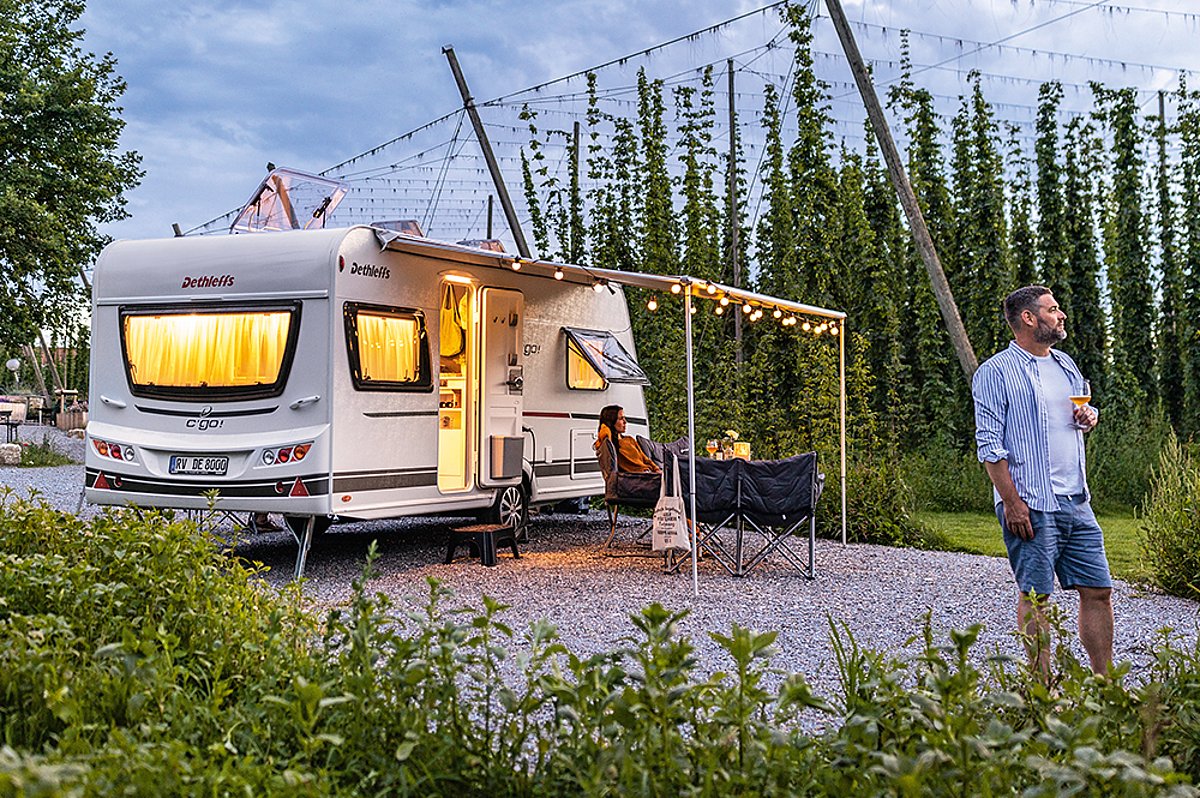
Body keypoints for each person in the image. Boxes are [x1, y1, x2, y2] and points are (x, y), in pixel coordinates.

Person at [972, 285, 1111, 677]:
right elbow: (989, 445)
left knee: (1098, 590)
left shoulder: (1066, 365)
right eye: (1052, 309)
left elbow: (1082, 410)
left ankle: (1106, 685)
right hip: (1031, 501)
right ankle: (1041, 690)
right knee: (1037, 597)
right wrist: (1012, 503)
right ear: (1029, 318)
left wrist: (1089, 417)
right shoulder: (995, 372)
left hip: (1076, 500)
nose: (1061, 314)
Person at [595, 404, 661, 473]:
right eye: (621, 418)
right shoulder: (611, 444)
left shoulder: (630, 439)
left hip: (648, 473)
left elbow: (645, 459)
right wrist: (605, 426)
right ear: (611, 421)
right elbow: (604, 434)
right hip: (638, 477)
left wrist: (656, 469)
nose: (625, 422)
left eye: (624, 418)